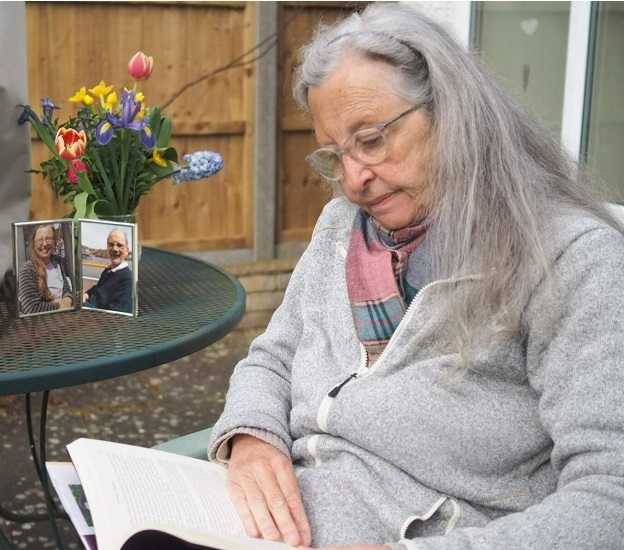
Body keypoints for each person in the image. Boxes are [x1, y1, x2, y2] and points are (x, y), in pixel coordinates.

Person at [208, 4, 624, 550]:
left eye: (372, 139)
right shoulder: (341, 228)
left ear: (452, 113)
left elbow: (609, 499)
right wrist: (252, 435)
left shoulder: (569, 260)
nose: (354, 179)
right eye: (335, 154)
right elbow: (275, 356)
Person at [18, 223, 74, 314]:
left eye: (49, 239)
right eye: (40, 240)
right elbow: (31, 308)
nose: (44, 244)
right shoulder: (27, 270)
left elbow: (67, 289)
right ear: (33, 245)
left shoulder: (57, 263)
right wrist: (60, 306)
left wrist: (67, 300)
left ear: (55, 242)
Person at [82, 228, 133, 313]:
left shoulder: (127, 280)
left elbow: (113, 314)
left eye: (120, 245)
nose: (115, 249)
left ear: (127, 251)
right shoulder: (108, 271)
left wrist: (83, 304)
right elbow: (97, 289)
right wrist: (85, 295)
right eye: (111, 244)